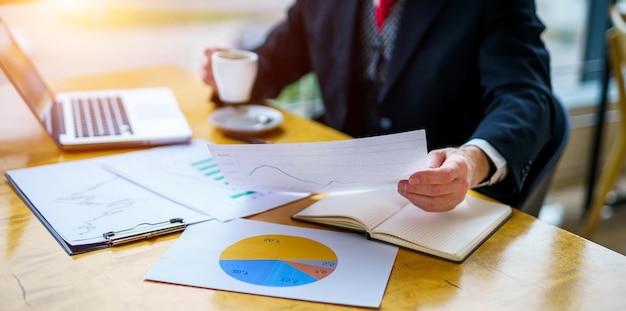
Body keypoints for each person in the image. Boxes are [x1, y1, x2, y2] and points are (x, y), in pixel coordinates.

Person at [201, 0, 556, 212]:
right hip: (334, 193)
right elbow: (280, 57)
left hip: (434, 205)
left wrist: (473, 159)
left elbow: (526, 96)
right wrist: (234, 75)